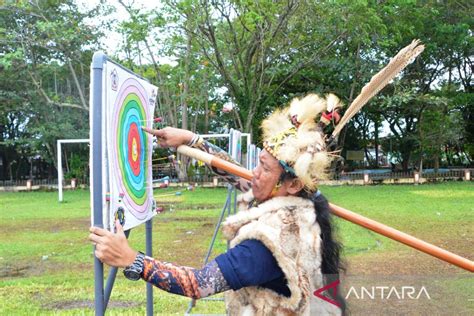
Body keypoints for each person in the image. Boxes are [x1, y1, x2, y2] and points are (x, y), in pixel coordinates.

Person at [89, 93, 346, 315]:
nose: (254, 173)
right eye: (258, 162)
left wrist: (132, 259)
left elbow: (198, 284)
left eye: (264, 168)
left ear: (293, 185)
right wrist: (193, 140)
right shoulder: (303, 203)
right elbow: (240, 175)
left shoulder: (269, 242)